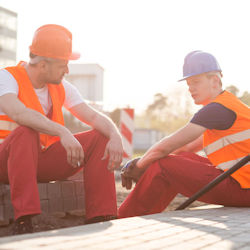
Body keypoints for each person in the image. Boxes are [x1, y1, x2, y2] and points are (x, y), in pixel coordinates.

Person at [0, 24, 124, 234]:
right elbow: (18, 113)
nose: (67, 70)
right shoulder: (7, 77)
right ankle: (24, 220)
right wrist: (62, 131)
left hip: (40, 161)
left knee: (100, 136)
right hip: (6, 161)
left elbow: (92, 115)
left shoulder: (61, 86)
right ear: (43, 64)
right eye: (63, 65)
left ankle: (101, 215)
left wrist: (115, 135)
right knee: (26, 131)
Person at [118, 50, 250, 218]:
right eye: (188, 84)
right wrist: (147, 164)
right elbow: (184, 148)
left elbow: (166, 147)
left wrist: (137, 166)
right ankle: (144, 213)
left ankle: (125, 218)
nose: (190, 89)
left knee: (164, 165)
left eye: (195, 82)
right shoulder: (229, 106)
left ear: (215, 81)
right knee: (182, 158)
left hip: (244, 188)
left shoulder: (216, 109)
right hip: (243, 184)